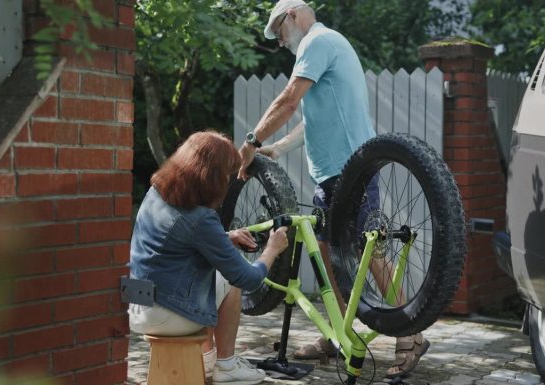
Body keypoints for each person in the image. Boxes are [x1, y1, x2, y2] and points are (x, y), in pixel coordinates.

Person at [237, 0, 429, 378]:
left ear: (291, 15)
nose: (279, 43)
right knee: (328, 256)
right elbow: (311, 120)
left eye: (278, 33)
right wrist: (279, 148)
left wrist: (252, 140)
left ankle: (411, 336)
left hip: (351, 169)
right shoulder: (323, 49)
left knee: (365, 249)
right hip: (332, 176)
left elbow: (288, 100)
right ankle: (340, 336)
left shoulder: (317, 42)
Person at [128, 131, 289, 385]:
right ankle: (226, 366)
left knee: (210, 275)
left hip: (138, 305)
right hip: (166, 313)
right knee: (228, 278)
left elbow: (175, 241)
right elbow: (248, 279)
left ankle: (207, 360)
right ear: (211, 177)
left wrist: (224, 237)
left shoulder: (156, 193)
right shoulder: (201, 218)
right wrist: (272, 248)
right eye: (225, 176)